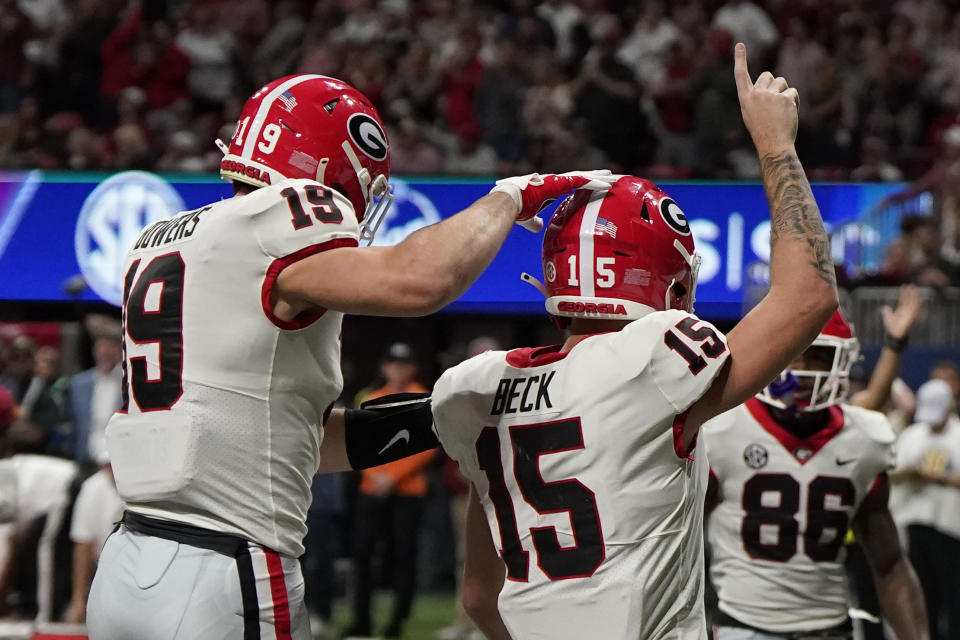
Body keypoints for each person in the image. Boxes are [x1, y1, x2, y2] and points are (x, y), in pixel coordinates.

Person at [86, 73, 616, 640]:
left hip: (125, 563)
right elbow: (420, 281)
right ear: (321, 164)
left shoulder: (162, 240)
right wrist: (509, 197)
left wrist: (447, 414)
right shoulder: (282, 216)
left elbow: (289, 440)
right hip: (223, 569)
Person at [432, 43, 839, 640]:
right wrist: (776, 146)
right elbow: (809, 295)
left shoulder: (477, 385)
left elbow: (478, 598)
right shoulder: (656, 359)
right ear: (668, 282)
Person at [703, 309, 928, 640]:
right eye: (792, 354)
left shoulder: (864, 439)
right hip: (743, 623)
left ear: (842, 363)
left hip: (831, 627)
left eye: (817, 356)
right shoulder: (722, 428)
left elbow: (890, 562)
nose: (802, 371)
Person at [347, 343, 437, 639]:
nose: (398, 370)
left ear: (412, 368)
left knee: (404, 555)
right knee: (362, 554)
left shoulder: (425, 398)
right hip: (373, 490)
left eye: (404, 364)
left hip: (407, 491)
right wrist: (377, 476)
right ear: (384, 367)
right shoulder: (370, 399)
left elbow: (428, 448)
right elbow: (355, 444)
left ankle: (396, 621)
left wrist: (392, 477)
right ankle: (361, 620)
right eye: (393, 364)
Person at [890, 378, 960, 640]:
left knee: (953, 595)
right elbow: (892, 469)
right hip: (916, 521)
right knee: (923, 592)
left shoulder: (958, 436)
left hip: (952, 527)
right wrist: (910, 472)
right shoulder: (913, 435)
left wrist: (938, 476)